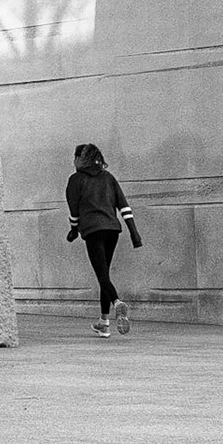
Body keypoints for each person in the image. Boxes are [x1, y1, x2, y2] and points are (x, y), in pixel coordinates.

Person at [65, 142, 141, 337]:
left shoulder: (76, 180)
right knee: (104, 274)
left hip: (93, 230)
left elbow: (74, 212)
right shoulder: (108, 178)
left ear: (78, 159)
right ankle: (104, 322)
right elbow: (124, 206)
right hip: (113, 230)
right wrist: (134, 233)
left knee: (102, 276)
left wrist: (73, 231)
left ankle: (117, 302)